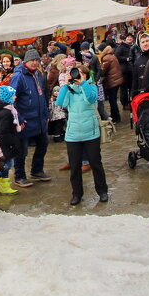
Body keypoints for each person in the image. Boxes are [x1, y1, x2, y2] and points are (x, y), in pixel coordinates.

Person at [56, 66, 108, 206]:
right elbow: (60, 103)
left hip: (90, 133)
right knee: (74, 167)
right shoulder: (69, 90)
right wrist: (66, 85)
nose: (77, 76)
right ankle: (76, 194)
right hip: (73, 135)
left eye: (80, 73)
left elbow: (91, 99)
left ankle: (102, 191)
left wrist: (83, 83)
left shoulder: (91, 87)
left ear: (85, 75)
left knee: (96, 163)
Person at [9, 47, 51, 187]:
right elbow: (12, 100)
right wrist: (19, 119)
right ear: (26, 61)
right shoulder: (18, 77)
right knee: (21, 150)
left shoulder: (38, 74)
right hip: (25, 120)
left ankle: (37, 170)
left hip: (39, 118)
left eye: (37, 60)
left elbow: (42, 95)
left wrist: (46, 113)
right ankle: (19, 176)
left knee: (43, 144)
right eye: (32, 60)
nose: (34, 62)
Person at [0, 85, 21, 196]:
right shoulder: (6, 113)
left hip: (6, 143)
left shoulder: (8, 110)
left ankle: (5, 186)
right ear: (8, 97)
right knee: (5, 165)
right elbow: (3, 131)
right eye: (13, 95)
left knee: (7, 164)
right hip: (5, 144)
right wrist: (12, 142)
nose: (15, 97)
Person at [98, 43, 123, 123]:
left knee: (112, 101)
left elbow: (102, 71)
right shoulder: (112, 55)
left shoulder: (106, 58)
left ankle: (116, 117)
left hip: (112, 81)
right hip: (117, 80)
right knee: (113, 100)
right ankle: (115, 116)